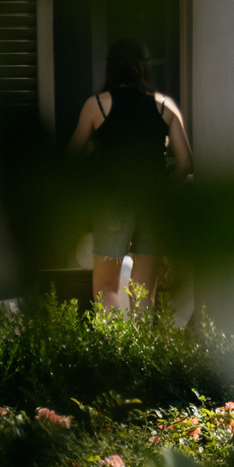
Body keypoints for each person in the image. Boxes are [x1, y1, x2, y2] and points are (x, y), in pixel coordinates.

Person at [68, 38, 191, 306]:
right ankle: (141, 345)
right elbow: (186, 162)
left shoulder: (96, 105)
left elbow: (72, 155)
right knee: (145, 291)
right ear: (145, 68)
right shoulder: (165, 106)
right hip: (153, 202)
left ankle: (112, 346)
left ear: (110, 69)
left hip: (112, 201)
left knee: (106, 287)